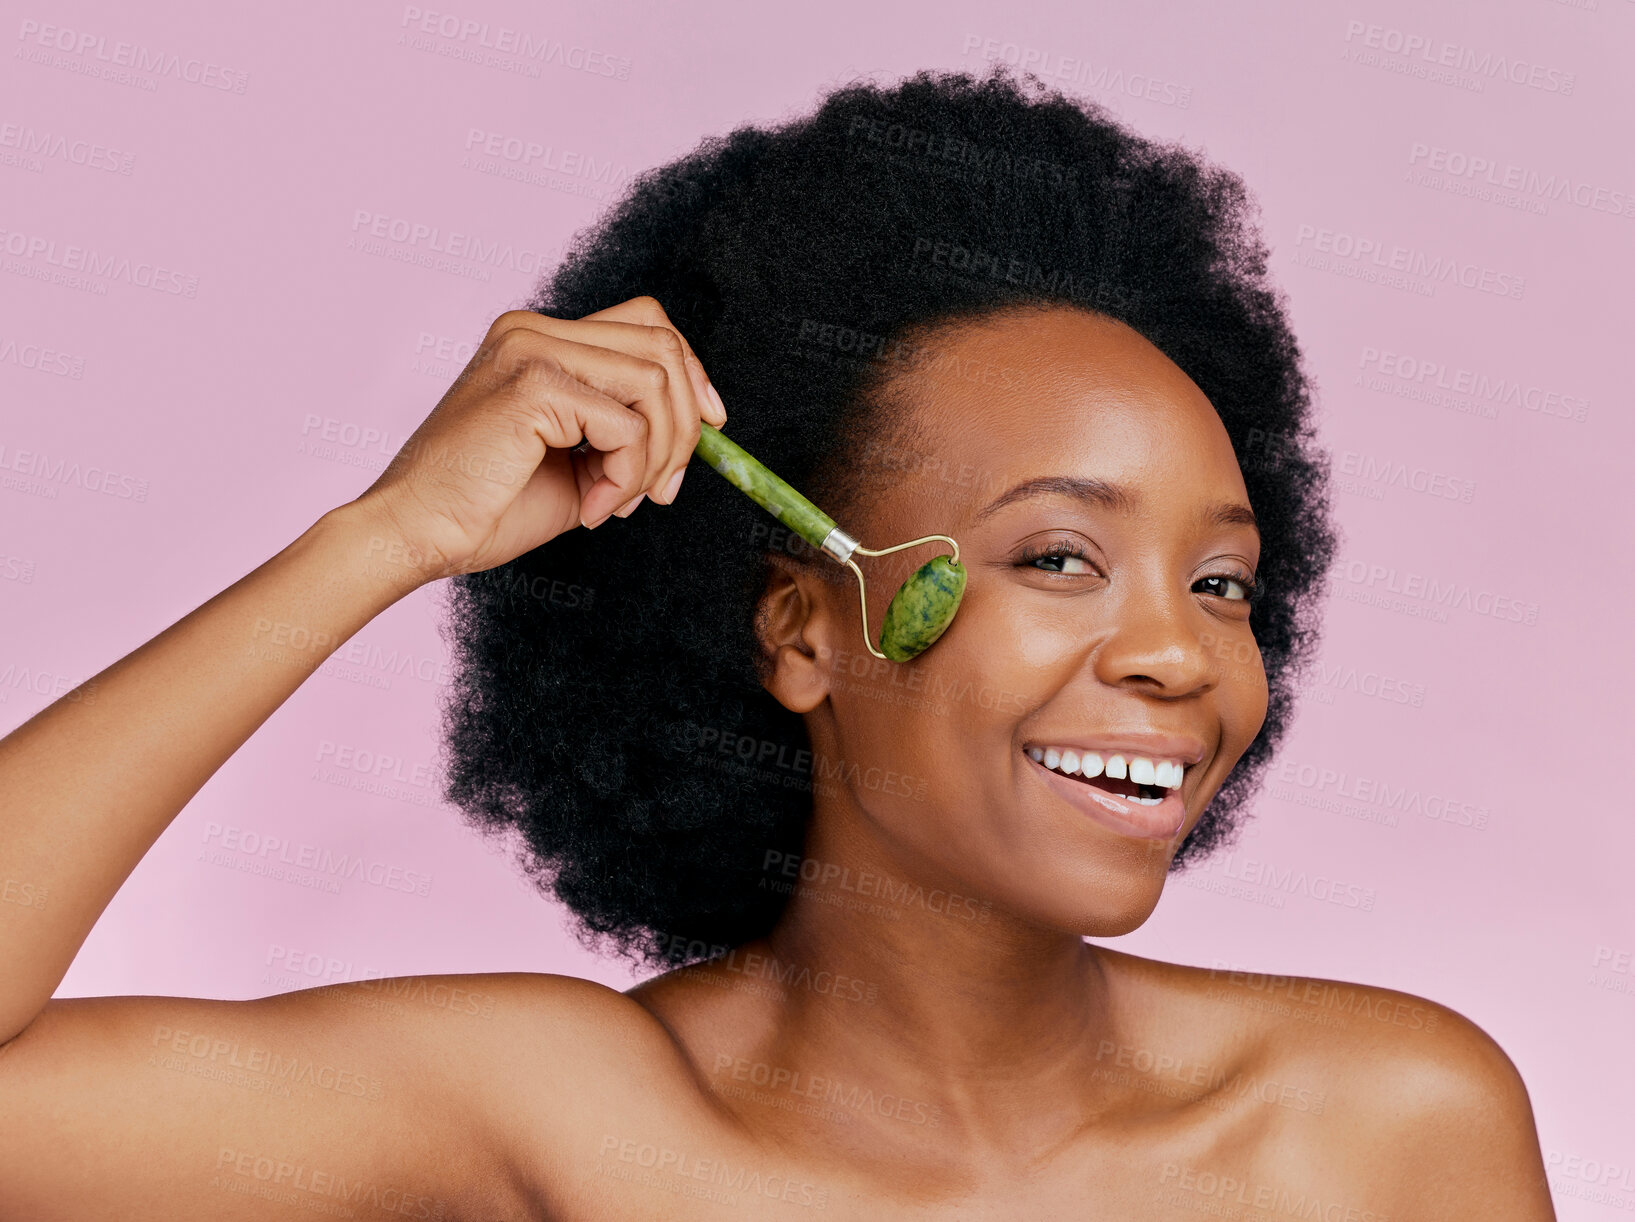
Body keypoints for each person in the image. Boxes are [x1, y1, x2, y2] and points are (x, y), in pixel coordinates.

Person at [0, 68, 1553, 1219]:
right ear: (801, 629)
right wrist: (384, 538)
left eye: (1222, 581)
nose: (1176, 655)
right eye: (1058, 555)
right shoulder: (554, 1121)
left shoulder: (1388, 1130)